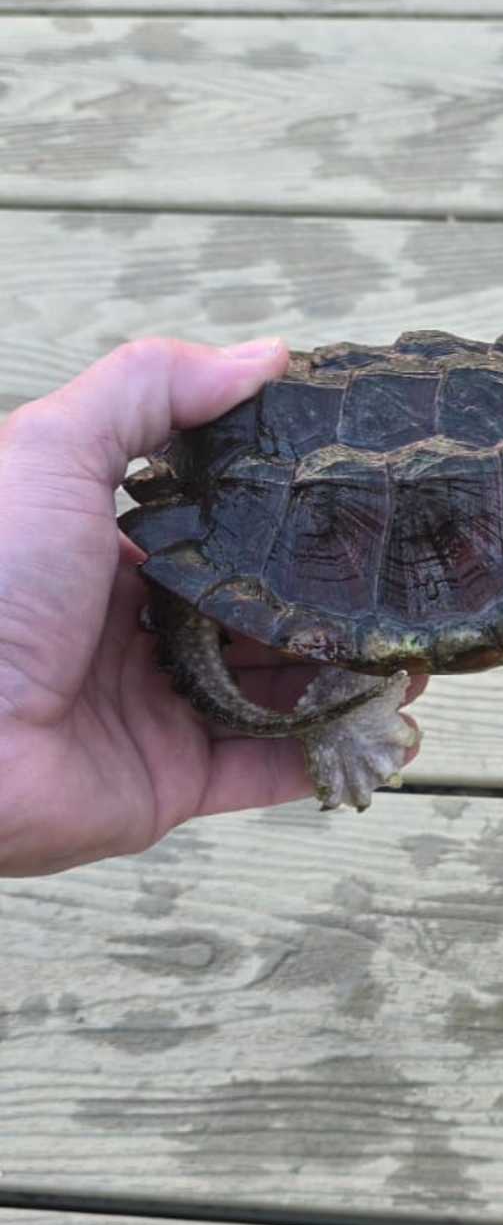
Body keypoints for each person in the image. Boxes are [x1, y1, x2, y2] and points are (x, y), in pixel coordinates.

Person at [0, 336, 425, 880]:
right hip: (308, 517)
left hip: (264, 445)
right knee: (360, 663)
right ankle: (338, 708)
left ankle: (338, 707)